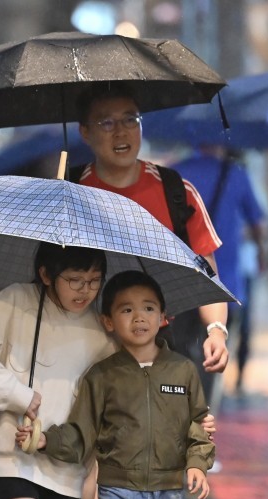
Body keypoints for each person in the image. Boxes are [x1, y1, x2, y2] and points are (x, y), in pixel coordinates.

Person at [0, 243, 216, 499]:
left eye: (94, 280)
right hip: (11, 453)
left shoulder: (101, 329)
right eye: (74, 280)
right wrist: (16, 394)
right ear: (46, 274)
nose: (85, 290)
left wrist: (187, 418)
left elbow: (137, 382)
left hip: (65, 462)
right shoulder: (12, 302)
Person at [18, 270, 213, 499]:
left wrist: (198, 464)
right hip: (117, 492)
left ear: (163, 316)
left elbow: (198, 424)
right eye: (126, 310)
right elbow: (82, 431)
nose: (139, 317)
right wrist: (46, 439)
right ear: (108, 321)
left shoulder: (182, 371)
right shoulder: (102, 375)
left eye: (148, 308)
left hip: (168, 490)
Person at [72, 83, 231, 377]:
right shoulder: (68, 192)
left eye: (130, 119)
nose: (120, 131)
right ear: (85, 132)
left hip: (158, 348)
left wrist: (217, 330)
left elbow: (207, 277)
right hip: (83, 346)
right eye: (106, 122)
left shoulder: (176, 193)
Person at [171, 146, 266, 397]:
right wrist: (263, 255)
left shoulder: (177, 172)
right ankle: (203, 414)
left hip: (179, 281)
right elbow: (258, 224)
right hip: (224, 281)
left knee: (178, 353)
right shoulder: (236, 174)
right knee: (212, 352)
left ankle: (180, 407)